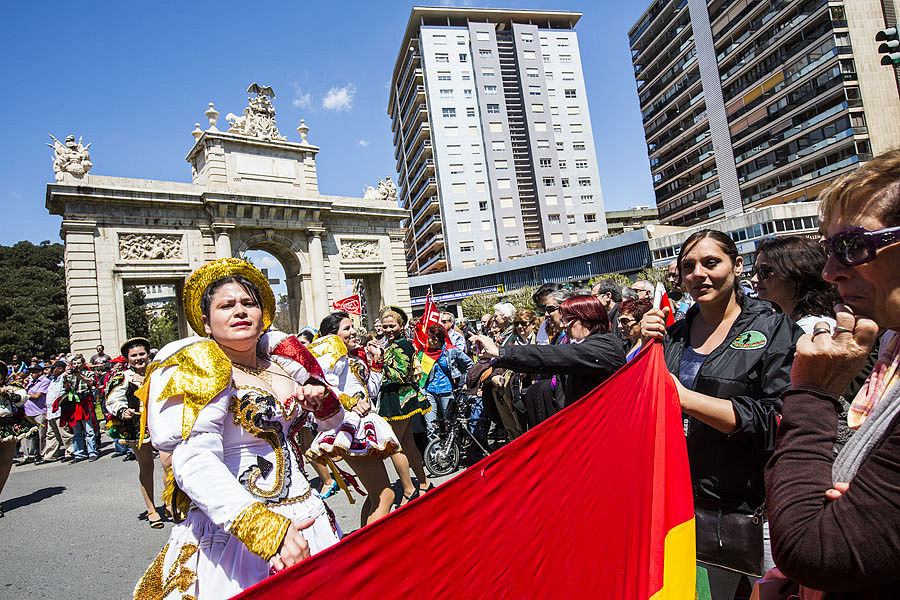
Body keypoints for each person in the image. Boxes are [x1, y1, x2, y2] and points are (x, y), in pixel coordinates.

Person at [134, 258, 340, 599]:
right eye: (226, 305)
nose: (240, 311)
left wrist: (322, 402)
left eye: (248, 303)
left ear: (263, 315)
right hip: (237, 527)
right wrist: (262, 528)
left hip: (308, 514)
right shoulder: (205, 366)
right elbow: (193, 460)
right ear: (206, 321)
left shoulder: (283, 366)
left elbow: (333, 426)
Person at [765, 149, 900, 598]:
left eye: (854, 246)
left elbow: (814, 549)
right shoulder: (891, 348)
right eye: (828, 250)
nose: (831, 272)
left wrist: (811, 394)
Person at [640, 229, 801, 599]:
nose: (699, 274)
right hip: (682, 508)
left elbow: (779, 421)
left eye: (711, 262)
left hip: (751, 512)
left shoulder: (773, 329)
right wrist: (643, 347)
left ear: (738, 265)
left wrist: (686, 399)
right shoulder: (673, 335)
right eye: (688, 267)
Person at [306, 311, 400, 527]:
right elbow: (324, 387)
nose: (353, 331)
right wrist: (349, 402)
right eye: (346, 328)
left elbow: (370, 391)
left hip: (366, 423)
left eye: (352, 327)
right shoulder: (332, 352)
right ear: (332, 336)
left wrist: (377, 362)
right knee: (386, 495)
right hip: (349, 427)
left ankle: (365, 545)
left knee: (376, 496)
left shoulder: (355, 356)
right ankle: (374, 551)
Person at [472, 295, 626, 407]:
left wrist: (501, 351)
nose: (564, 325)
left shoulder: (606, 346)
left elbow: (550, 355)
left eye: (567, 319)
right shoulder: (590, 344)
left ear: (585, 318)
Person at [106, 337, 165, 528]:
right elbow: (113, 399)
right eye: (134, 355)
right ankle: (151, 509)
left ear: (148, 354)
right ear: (127, 358)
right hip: (137, 426)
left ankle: (172, 503)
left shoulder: (158, 372)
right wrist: (123, 410)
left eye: (141, 354)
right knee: (147, 466)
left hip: (162, 422)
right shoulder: (123, 377)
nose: (139, 358)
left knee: (169, 464)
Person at [377, 306, 433, 504]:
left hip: (399, 400)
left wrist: (378, 361)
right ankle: (424, 482)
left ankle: (409, 490)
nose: (388, 329)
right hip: (397, 398)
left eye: (392, 326)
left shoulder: (402, 345)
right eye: (385, 326)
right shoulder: (391, 344)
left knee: (394, 446)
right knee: (407, 443)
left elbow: (399, 375)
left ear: (401, 326)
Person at [751, 236, 843, 335]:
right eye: (755, 270)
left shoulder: (811, 330)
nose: (754, 279)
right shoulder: (790, 324)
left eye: (764, 271)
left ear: (797, 274)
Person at [421, 324, 473, 442]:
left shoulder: (451, 351)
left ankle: (452, 449)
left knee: (449, 423)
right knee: (431, 425)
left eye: (431, 338)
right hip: (429, 391)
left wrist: (466, 382)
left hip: (447, 391)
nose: (428, 340)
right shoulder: (425, 352)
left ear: (437, 339)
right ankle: (434, 454)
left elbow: (469, 364)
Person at [0, 362, 31, 517]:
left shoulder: (11, 387)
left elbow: (22, 398)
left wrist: (10, 395)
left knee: (5, 464)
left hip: (8, 427)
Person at [62, 354, 99, 462]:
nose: (76, 365)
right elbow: (67, 388)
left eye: (78, 363)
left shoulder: (89, 373)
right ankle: (79, 453)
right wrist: (64, 378)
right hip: (74, 403)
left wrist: (79, 376)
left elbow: (91, 383)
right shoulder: (69, 375)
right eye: (74, 364)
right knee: (76, 431)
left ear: (83, 364)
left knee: (89, 429)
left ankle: (92, 451)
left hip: (85, 402)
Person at [42, 360, 71, 462]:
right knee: (51, 434)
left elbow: (67, 388)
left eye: (53, 368)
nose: (51, 370)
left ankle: (70, 452)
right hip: (50, 411)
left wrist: (66, 376)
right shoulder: (52, 380)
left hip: (60, 410)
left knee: (64, 432)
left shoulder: (64, 377)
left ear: (60, 369)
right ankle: (50, 455)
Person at [22, 364, 51, 464]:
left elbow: (37, 395)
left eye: (34, 372)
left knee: (41, 434)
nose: (31, 374)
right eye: (31, 372)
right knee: (28, 434)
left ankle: (43, 454)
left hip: (39, 411)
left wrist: (24, 396)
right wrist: (24, 385)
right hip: (29, 412)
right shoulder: (30, 382)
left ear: (40, 372)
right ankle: (29, 456)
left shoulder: (45, 381)